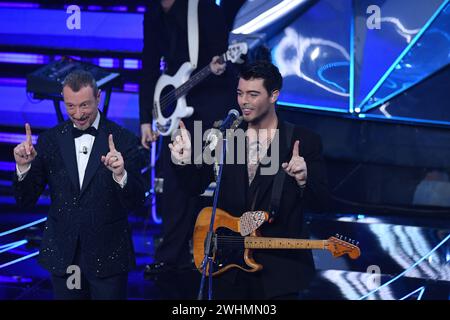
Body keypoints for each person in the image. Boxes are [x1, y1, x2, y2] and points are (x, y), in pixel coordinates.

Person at [169, 61, 329, 299]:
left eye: (253, 94)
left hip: (278, 273)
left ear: (274, 95)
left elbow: (323, 202)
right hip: (228, 268)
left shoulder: (303, 141)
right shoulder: (225, 136)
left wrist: (304, 180)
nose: (244, 101)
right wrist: (183, 161)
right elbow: (194, 186)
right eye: (240, 93)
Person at [13, 70, 147, 300]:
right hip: (65, 257)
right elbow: (25, 199)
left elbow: (137, 200)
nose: (78, 114)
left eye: (84, 105)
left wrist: (120, 174)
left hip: (108, 257)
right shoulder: (51, 140)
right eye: (70, 106)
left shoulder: (123, 139)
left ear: (99, 96)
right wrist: (23, 168)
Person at [139, 0, 236, 274]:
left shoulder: (203, 8)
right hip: (176, 104)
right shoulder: (153, 14)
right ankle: (171, 257)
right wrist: (147, 117)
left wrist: (219, 65)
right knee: (174, 183)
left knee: (206, 178)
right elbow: (149, 64)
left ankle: (216, 252)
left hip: (211, 100)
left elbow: (225, 58)